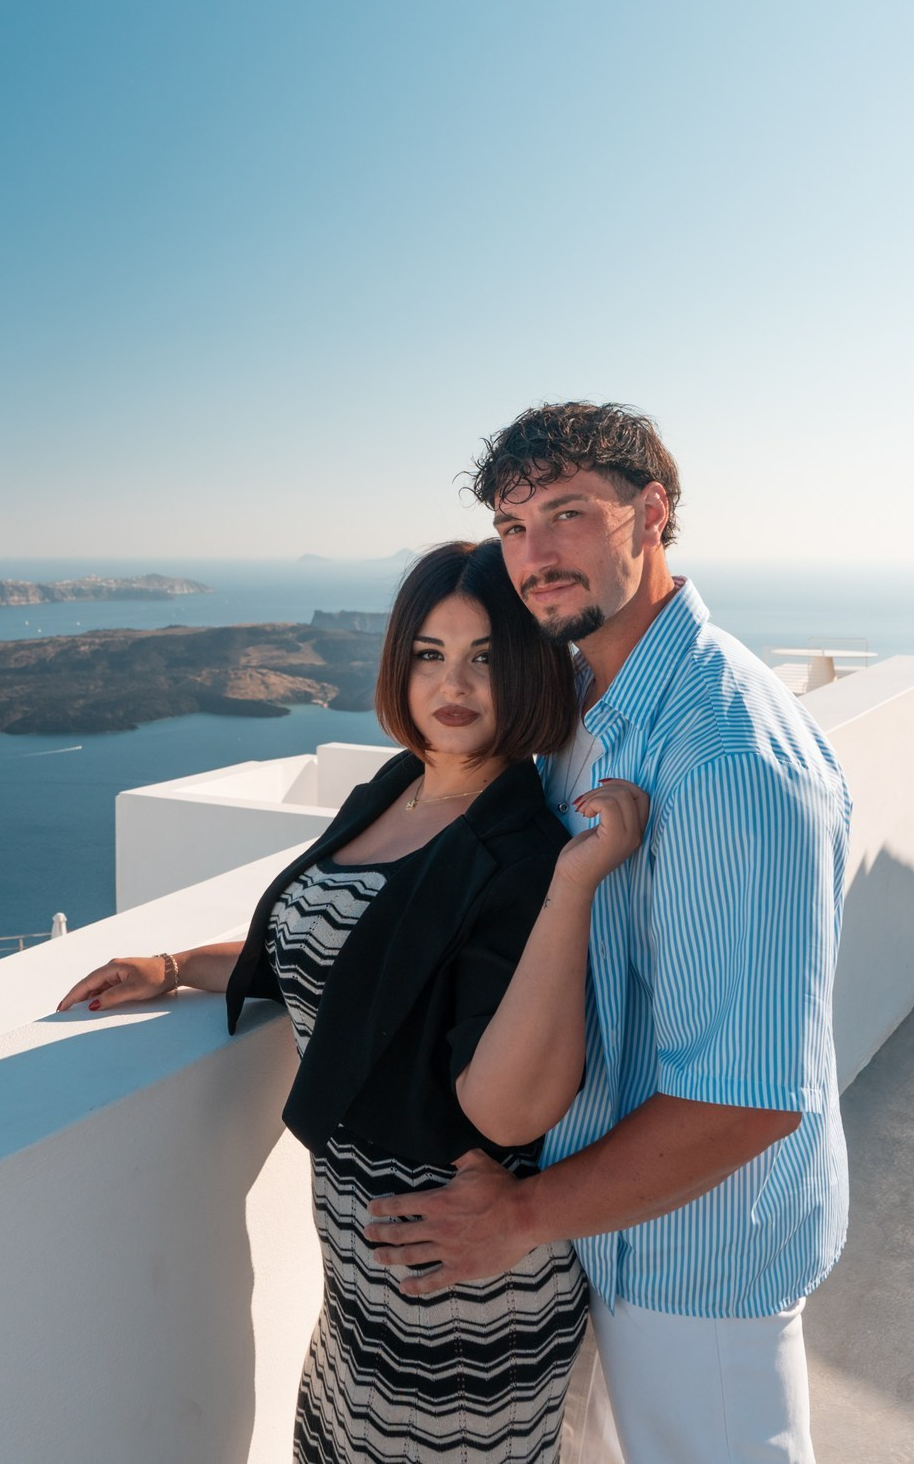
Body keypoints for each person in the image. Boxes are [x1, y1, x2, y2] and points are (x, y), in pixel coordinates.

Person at [58, 539, 649, 1463]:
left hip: (457, 1288)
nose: (453, 683)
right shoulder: (397, 788)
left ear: (530, 667)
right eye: (430, 653)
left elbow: (512, 1106)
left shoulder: (522, 850)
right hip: (363, 1282)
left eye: (486, 656)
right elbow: (327, 952)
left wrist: (574, 889)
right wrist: (177, 964)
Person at [360, 404, 853, 1464]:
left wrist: (517, 1220)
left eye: (569, 514)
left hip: (694, 1266)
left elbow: (747, 1099)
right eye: (513, 523)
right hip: (608, 1231)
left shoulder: (727, 758)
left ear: (652, 514)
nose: (534, 556)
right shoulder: (588, 700)